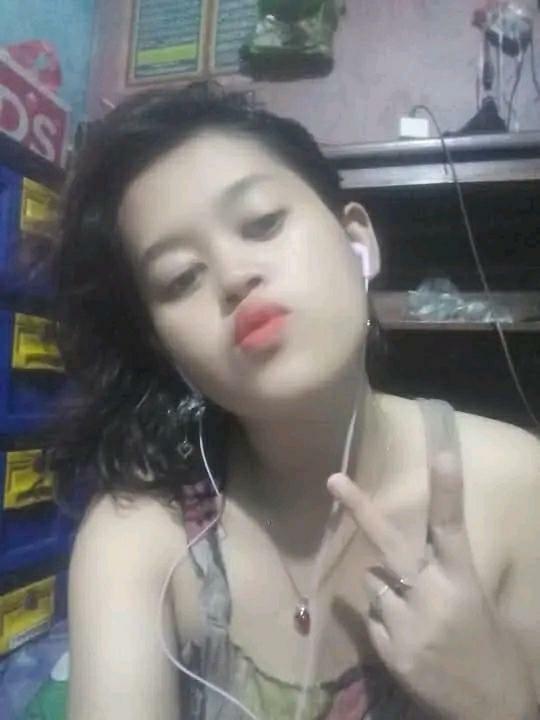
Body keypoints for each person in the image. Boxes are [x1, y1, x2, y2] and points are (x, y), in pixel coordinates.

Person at [53, 84, 540, 720]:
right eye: (180, 277)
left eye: (263, 223)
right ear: (164, 346)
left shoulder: (516, 483)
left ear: (358, 241)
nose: (234, 276)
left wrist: (500, 700)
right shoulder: (138, 540)